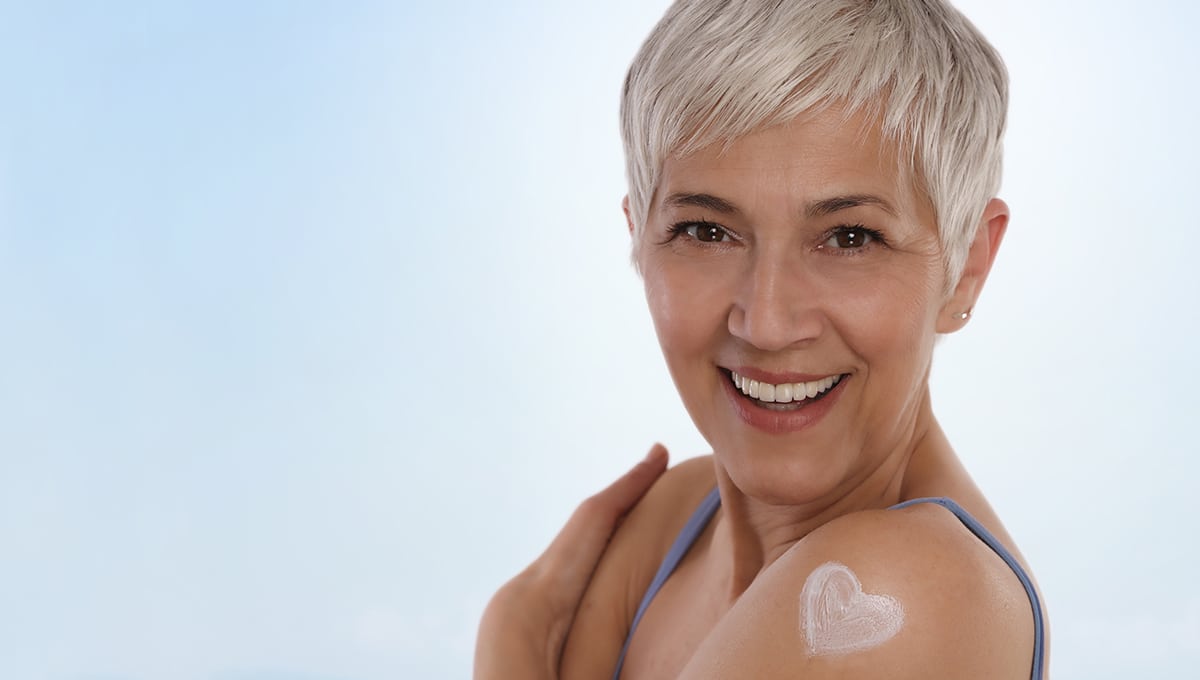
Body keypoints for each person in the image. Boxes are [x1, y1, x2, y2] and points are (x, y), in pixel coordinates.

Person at [476, 0, 1048, 677]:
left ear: (967, 267)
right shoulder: (667, 523)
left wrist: (513, 637)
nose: (768, 323)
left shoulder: (906, 594)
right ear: (638, 237)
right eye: (706, 231)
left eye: (850, 237)